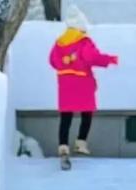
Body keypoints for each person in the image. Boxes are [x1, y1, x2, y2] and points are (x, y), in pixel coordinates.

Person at [48, 5, 118, 166]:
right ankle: (81, 142)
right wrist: (110, 59)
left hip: (65, 83)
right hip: (82, 82)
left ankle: (63, 146)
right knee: (87, 113)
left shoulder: (59, 43)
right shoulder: (84, 41)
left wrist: (66, 67)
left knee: (66, 115)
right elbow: (92, 57)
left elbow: (52, 61)